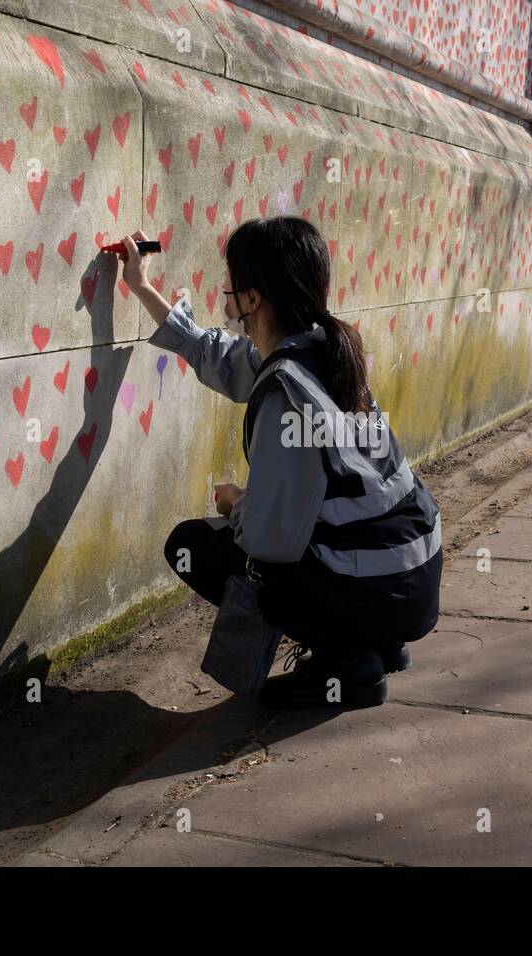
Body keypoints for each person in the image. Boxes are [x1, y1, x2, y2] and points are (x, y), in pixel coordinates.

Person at [114, 217, 443, 709]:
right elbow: (217, 355)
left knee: (198, 547)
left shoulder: (287, 394)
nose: (225, 304)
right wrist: (141, 287)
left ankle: (348, 665)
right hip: (412, 576)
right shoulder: (323, 348)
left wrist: (237, 505)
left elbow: (271, 540)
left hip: (381, 590)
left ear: (252, 299)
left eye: (230, 290)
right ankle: (373, 641)